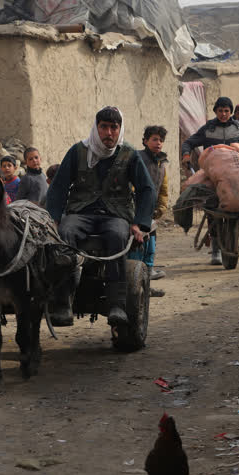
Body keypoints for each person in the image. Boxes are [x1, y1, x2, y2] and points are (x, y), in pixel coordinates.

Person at [46, 106, 155, 327]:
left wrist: (139, 224)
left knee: (116, 236)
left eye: (113, 127)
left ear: (119, 129)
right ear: (96, 128)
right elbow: (58, 187)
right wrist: (54, 219)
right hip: (81, 213)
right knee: (65, 233)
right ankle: (63, 301)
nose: (108, 133)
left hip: (116, 215)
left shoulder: (129, 154)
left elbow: (147, 189)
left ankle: (116, 303)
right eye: (104, 127)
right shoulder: (78, 151)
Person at [181, 96, 239, 265]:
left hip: (235, 174)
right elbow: (189, 143)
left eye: (227, 111)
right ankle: (216, 247)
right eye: (220, 110)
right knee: (212, 207)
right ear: (215, 111)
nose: (223, 114)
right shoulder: (208, 129)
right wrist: (185, 155)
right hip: (213, 175)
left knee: (238, 204)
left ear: (230, 112)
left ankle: (235, 238)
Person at [128, 125, 169, 289]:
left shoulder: (162, 163)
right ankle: (134, 278)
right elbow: (130, 184)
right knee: (138, 245)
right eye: (154, 139)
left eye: (161, 140)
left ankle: (147, 274)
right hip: (136, 211)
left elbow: (163, 188)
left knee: (151, 245)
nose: (158, 143)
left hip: (150, 212)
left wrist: (161, 207)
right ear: (145, 141)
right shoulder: (138, 158)